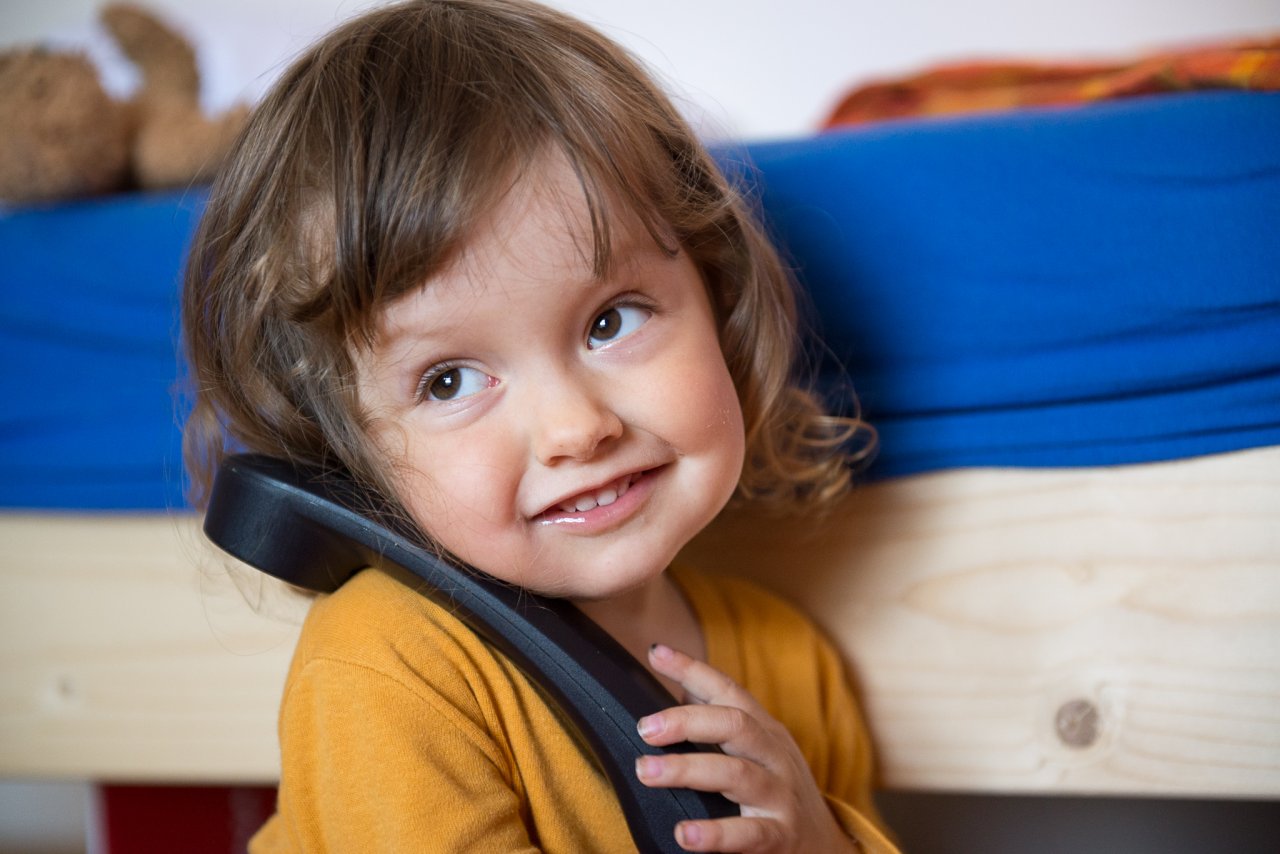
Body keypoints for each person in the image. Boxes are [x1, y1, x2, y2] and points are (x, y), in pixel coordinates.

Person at [182, 1, 899, 851]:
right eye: (450, 381)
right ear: (347, 451)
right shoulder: (387, 663)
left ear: (717, 295)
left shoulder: (796, 664)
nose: (575, 429)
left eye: (611, 321)